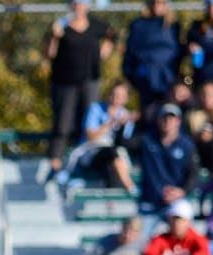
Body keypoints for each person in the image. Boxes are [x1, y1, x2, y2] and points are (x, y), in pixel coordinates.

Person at [43, 0, 115, 181]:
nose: (78, 6)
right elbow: (49, 54)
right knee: (63, 123)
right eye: (75, 3)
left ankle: (83, 163)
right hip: (65, 83)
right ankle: (55, 165)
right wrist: (54, 37)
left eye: (82, 2)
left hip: (89, 81)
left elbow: (113, 35)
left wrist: (103, 54)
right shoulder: (61, 25)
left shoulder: (95, 25)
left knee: (88, 122)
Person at [138, 104, 197, 221]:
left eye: (171, 118)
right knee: (141, 235)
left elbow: (193, 173)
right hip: (150, 201)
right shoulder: (147, 141)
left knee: (181, 224)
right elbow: (124, 142)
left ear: (178, 121)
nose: (167, 122)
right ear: (157, 120)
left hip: (177, 201)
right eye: (164, 118)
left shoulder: (186, 145)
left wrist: (182, 191)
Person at [123, 0, 182, 113]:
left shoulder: (173, 26)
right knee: (148, 114)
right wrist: (132, 76)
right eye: (154, 2)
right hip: (146, 79)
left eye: (160, 3)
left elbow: (178, 52)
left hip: (167, 80)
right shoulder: (139, 25)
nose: (156, 6)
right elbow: (131, 53)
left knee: (168, 113)